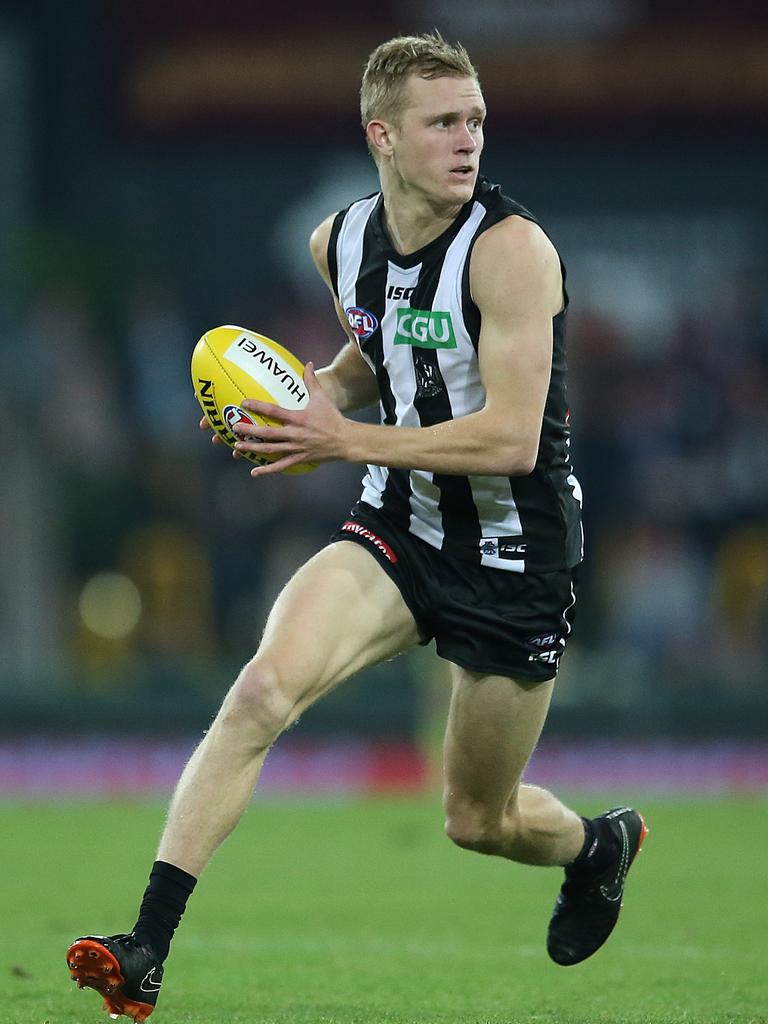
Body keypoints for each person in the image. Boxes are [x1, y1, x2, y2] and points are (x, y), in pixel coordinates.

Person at [66, 32, 647, 1022]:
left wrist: (346, 440)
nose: (469, 141)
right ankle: (146, 947)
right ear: (383, 135)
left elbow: (511, 440)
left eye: (475, 122)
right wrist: (306, 404)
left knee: (477, 820)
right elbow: (376, 352)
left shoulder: (513, 252)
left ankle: (599, 845)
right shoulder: (338, 241)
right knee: (258, 690)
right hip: (400, 524)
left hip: (512, 552)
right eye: (444, 123)